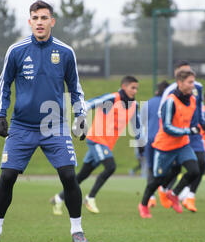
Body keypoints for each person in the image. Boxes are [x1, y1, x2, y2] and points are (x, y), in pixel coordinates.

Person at [0, 0, 88, 242]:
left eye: (44, 18)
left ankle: (77, 230)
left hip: (55, 124)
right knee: (7, 176)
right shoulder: (16, 50)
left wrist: (81, 116)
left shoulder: (65, 52)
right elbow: (3, 84)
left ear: (52, 21)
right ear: (29, 21)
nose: (39, 22)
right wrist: (0, 115)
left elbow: (75, 89)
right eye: (35, 18)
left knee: (69, 175)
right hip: (21, 125)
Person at [51, 76, 142, 215]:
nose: (135, 91)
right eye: (132, 88)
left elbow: (138, 127)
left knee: (82, 175)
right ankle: (90, 197)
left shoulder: (134, 106)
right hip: (96, 139)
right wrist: (80, 117)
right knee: (111, 166)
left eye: (136, 88)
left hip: (106, 144)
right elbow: (90, 103)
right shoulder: (113, 98)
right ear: (124, 87)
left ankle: (58, 198)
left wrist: (141, 143)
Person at [139, 70, 200, 218]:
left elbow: (190, 121)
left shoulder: (192, 100)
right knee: (158, 179)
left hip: (182, 145)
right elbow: (167, 127)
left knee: (194, 171)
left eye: (193, 82)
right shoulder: (171, 101)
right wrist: (189, 130)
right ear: (179, 83)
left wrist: (194, 128)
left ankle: (174, 194)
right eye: (190, 82)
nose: (193, 85)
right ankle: (143, 204)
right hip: (165, 147)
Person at [156, 60, 205, 213]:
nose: (191, 80)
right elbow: (162, 112)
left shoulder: (198, 87)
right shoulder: (170, 91)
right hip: (179, 133)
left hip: (195, 133)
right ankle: (164, 188)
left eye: (189, 71)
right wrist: (179, 127)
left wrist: (202, 124)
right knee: (176, 168)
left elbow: (199, 106)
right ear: (178, 76)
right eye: (183, 72)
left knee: (201, 163)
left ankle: (189, 197)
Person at [140, 80, 169, 208]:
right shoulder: (169, 103)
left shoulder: (148, 103)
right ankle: (164, 190)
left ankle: (151, 197)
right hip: (164, 141)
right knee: (169, 168)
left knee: (151, 168)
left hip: (149, 140)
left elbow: (140, 123)